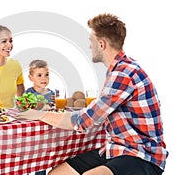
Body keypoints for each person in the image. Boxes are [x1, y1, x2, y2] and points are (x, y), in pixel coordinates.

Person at [17, 13, 168, 175]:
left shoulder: (123, 74)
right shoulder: (119, 69)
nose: (90, 46)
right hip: (113, 149)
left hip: (141, 155)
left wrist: (39, 114)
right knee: (56, 173)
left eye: (91, 41)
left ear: (101, 44)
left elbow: (84, 120)